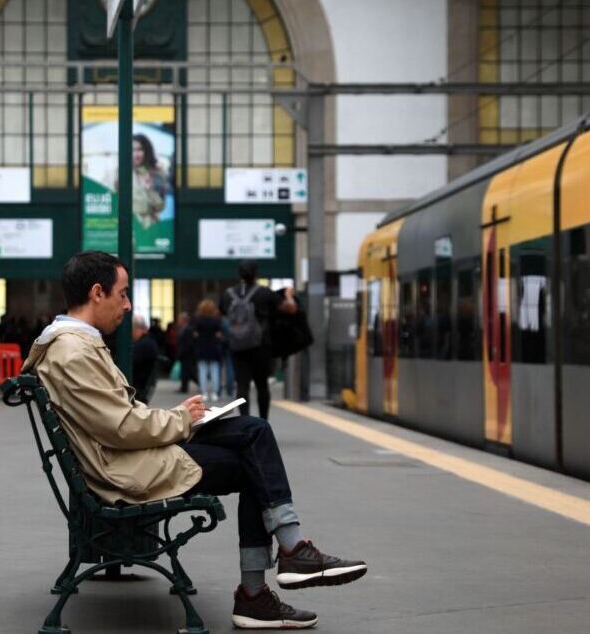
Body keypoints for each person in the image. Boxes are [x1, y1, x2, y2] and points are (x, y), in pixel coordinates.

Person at [22, 251, 366, 630]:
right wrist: (180, 419)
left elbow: (115, 421)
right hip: (125, 470)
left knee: (254, 431)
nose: (127, 304)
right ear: (97, 292)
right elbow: (119, 427)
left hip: (129, 458)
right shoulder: (73, 351)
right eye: (122, 294)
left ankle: (288, 554)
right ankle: (270, 577)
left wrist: (184, 418)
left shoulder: (73, 344)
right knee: (253, 463)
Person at [219, 261, 297, 421]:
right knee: (262, 385)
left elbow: (222, 312)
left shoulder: (228, 294)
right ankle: (262, 423)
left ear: (239, 274)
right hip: (261, 346)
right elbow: (290, 309)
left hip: (237, 346)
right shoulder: (264, 293)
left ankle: (245, 423)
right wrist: (289, 295)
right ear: (256, 274)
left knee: (242, 385)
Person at [131, 134, 167, 230]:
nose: (136, 154)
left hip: (150, 227)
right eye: (133, 150)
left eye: (140, 150)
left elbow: (160, 206)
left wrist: (149, 189)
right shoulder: (121, 173)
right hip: (129, 226)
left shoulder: (157, 173)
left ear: (147, 151)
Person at [193, 299, 225, 403]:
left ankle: (204, 393)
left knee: (202, 371)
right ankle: (215, 393)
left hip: (202, 348)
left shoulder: (198, 321)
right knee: (215, 371)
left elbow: (195, 335)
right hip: (214, 348)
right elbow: (219, 335)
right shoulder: (216, 321)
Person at [131, 314, 159, 404]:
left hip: (138, 387)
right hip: (142, 386)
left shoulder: (143, 344)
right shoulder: (150, 341)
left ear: (137, 329)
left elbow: (133, 363)